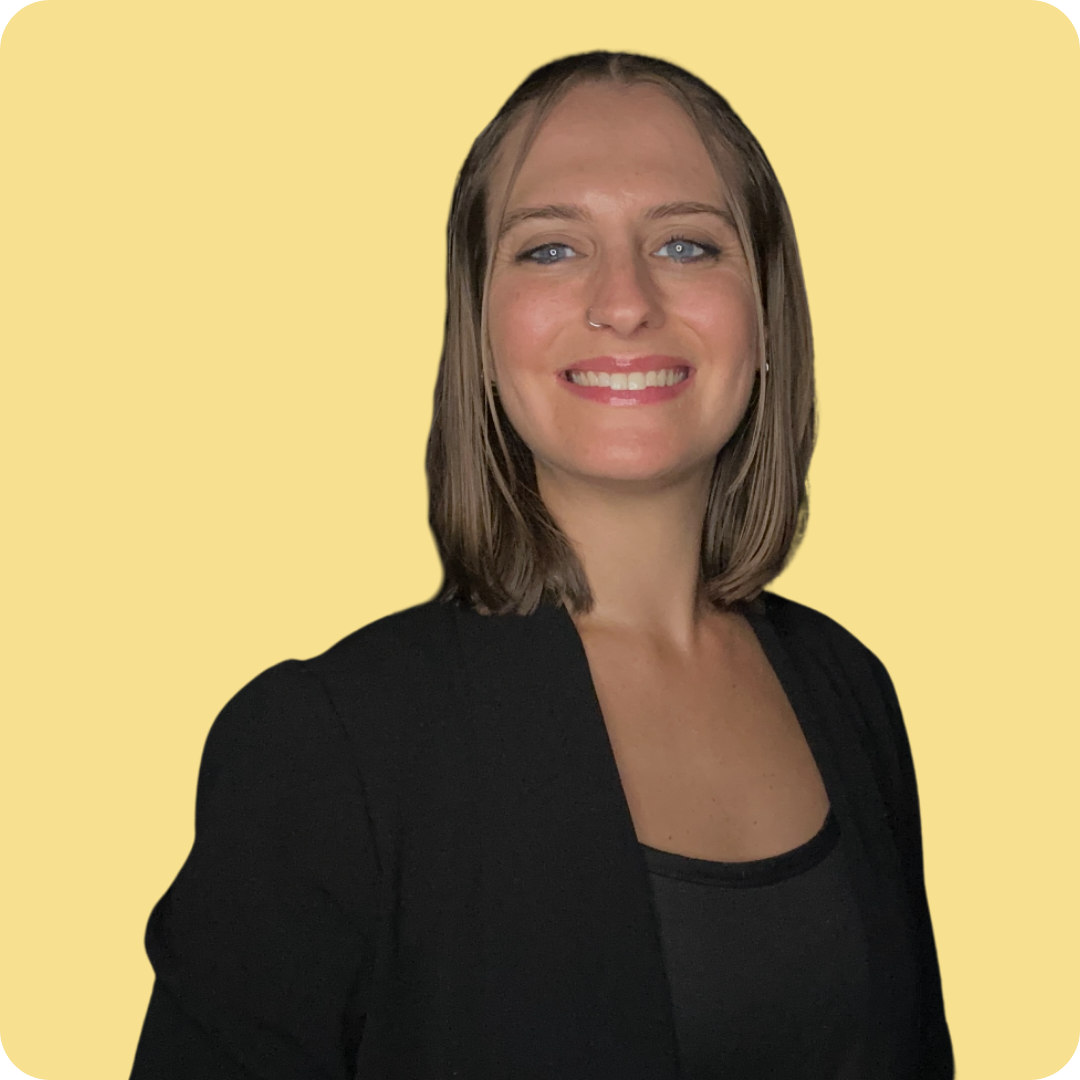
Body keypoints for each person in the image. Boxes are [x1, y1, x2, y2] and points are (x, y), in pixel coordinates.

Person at [129, 50, 953, 1080]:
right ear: (478, 324)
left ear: (768, 313)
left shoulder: (849, 690)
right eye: (552, 250)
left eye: (689, 244)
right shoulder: (322, 748)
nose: (624, 301)